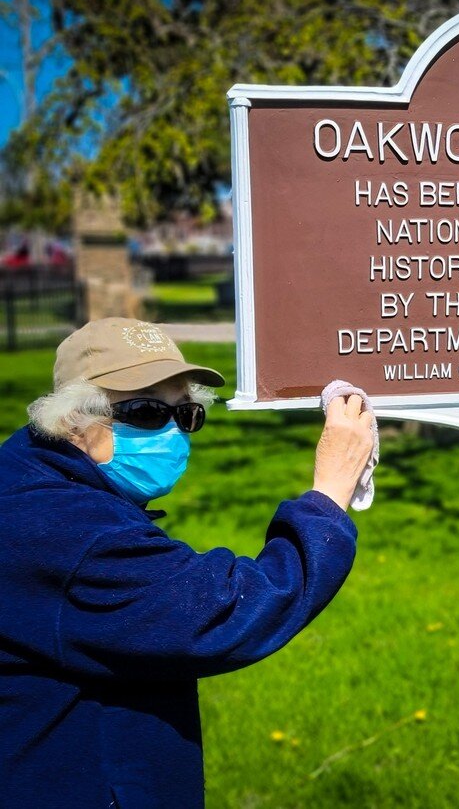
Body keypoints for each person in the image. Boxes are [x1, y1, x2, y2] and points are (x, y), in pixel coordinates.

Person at [0, 318, 375, 807]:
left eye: (187, 413)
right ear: (73, 421)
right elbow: (224, 611)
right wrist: (329, 495)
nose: (176, 432)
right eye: (149, 411)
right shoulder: (67, 533)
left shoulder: (30, 478)